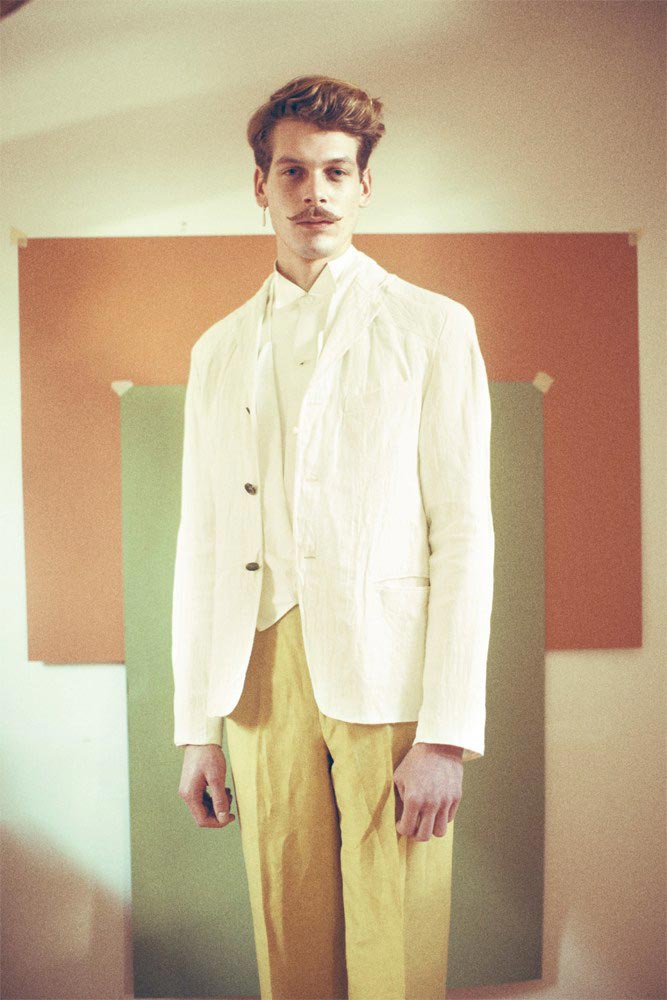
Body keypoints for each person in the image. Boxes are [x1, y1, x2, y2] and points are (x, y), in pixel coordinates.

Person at [172, 74, 495, 1000]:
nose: (313, 191)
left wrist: (447, 734)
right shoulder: (216, 349)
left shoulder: (432, 328)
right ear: (261, 186)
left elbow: (463, 534)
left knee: (397, 930)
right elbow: (202, 545)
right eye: (292, 171)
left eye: (334, 171)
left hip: (389, 674)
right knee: (286, 926)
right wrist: (195, 729)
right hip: (257, 670)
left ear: (362, 186)